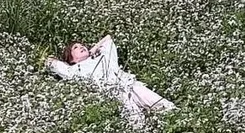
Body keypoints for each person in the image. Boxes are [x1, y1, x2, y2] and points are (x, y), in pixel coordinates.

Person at [44, 35, 176, 119]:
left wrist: (92, 50)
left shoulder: (104, 57)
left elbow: (108, 39)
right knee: (137, 122)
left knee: (165, 106)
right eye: (76, 48)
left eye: (82, 45)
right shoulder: (73, 70)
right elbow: (50, 62)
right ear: (71, 58)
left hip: (130, 85)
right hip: (115, 94)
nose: (81, 47)